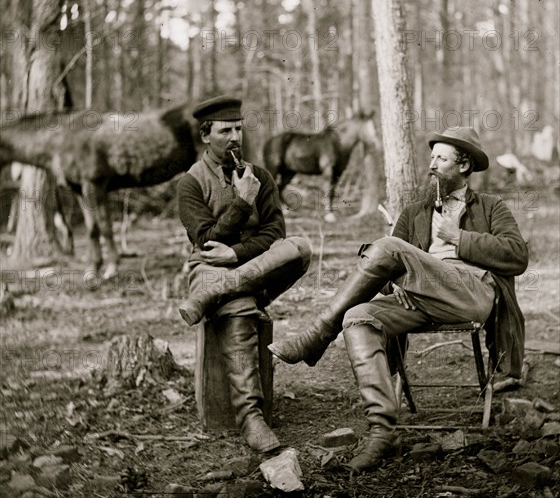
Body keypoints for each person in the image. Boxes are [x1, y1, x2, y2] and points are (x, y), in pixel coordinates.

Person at [269, 126, 528, 471]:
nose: (432, 165)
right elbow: (387, 270)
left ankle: (317, 334)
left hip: (472, 293)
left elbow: (517, 256)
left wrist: (460, 238)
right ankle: (382, 431)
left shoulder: (491, 206)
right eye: (431, 157)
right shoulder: (415, 211)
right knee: (358, 317)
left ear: (464, 166)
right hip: (421, 301)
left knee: (389, 244)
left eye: (441, 158)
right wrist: (399, 289)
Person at [177, 95, 311, 454]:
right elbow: (205, 242)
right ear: (206, 136)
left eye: (238, 128)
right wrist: (241, 202)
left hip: (250, 268)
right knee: (238, 310)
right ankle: (251, 417)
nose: (235, 137)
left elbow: (275, 233)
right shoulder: (190, 183)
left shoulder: (260, 176)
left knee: (300, 246)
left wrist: (237, 253)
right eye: (225, 131)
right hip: (207, 270)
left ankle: (226, 289)